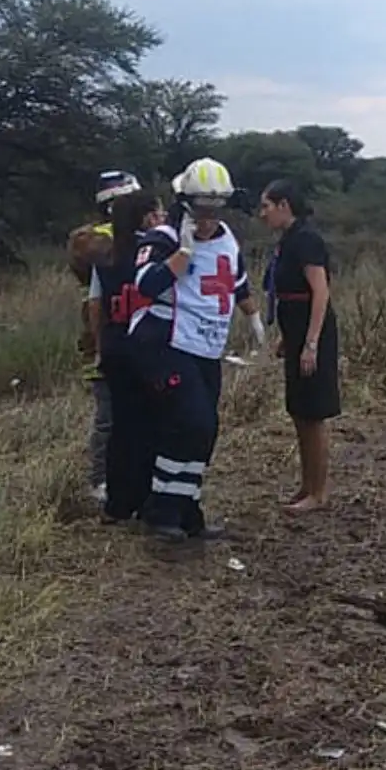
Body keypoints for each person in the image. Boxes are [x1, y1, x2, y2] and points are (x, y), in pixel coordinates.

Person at [126, 157, 263, 543]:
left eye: (216, 209)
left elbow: (236, 282)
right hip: (165, 344)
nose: (208, 218)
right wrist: (180, 257)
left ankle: (187, 511)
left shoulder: (227, 239)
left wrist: (253, 319)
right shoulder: (164, 237)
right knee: (191, 422)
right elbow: (144, 286)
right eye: (202, 209)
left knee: (206, 431)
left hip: (207, 347)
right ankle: (161, 510)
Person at [257, 181, 341, 514]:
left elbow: (320, 292)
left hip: (313, 335)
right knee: (298, 411)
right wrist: (287, 337)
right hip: (295, 333)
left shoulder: (307, 240)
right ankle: (306, 485)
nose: (262, 214)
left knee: (313, 413)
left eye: (266, 206)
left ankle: (318, 493)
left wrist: (310, 343)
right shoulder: (288, 240)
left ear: (284, 205)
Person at [87, 188, 165, 525]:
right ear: (146, 218)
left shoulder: (105, 258)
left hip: (115, 345)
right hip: (147, 345)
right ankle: (147, 499)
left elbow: (94, 304)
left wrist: (100, 346)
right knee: (151, 425)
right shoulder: (154, 252)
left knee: (120, 425)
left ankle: (117, 504)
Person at [69, 170, 142, 506]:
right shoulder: (95, 241)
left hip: (129, 335)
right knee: (108, 416)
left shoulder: (135, 236)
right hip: (105, 337)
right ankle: (100, 479)